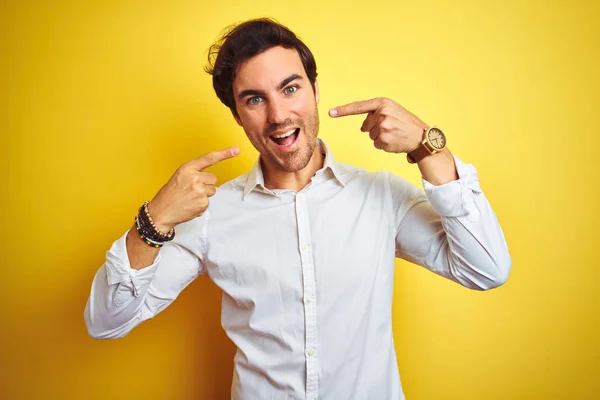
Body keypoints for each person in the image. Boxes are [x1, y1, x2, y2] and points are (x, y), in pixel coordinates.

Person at [84, 18, 511, 400]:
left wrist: (426, 145)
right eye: (254, 99)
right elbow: (106, 322)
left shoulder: (379, 198)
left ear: (315, 89)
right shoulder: (212, 215)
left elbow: (487, 269)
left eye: (290, 89)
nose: (278, 115)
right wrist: (154, 219)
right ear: (237, 114)